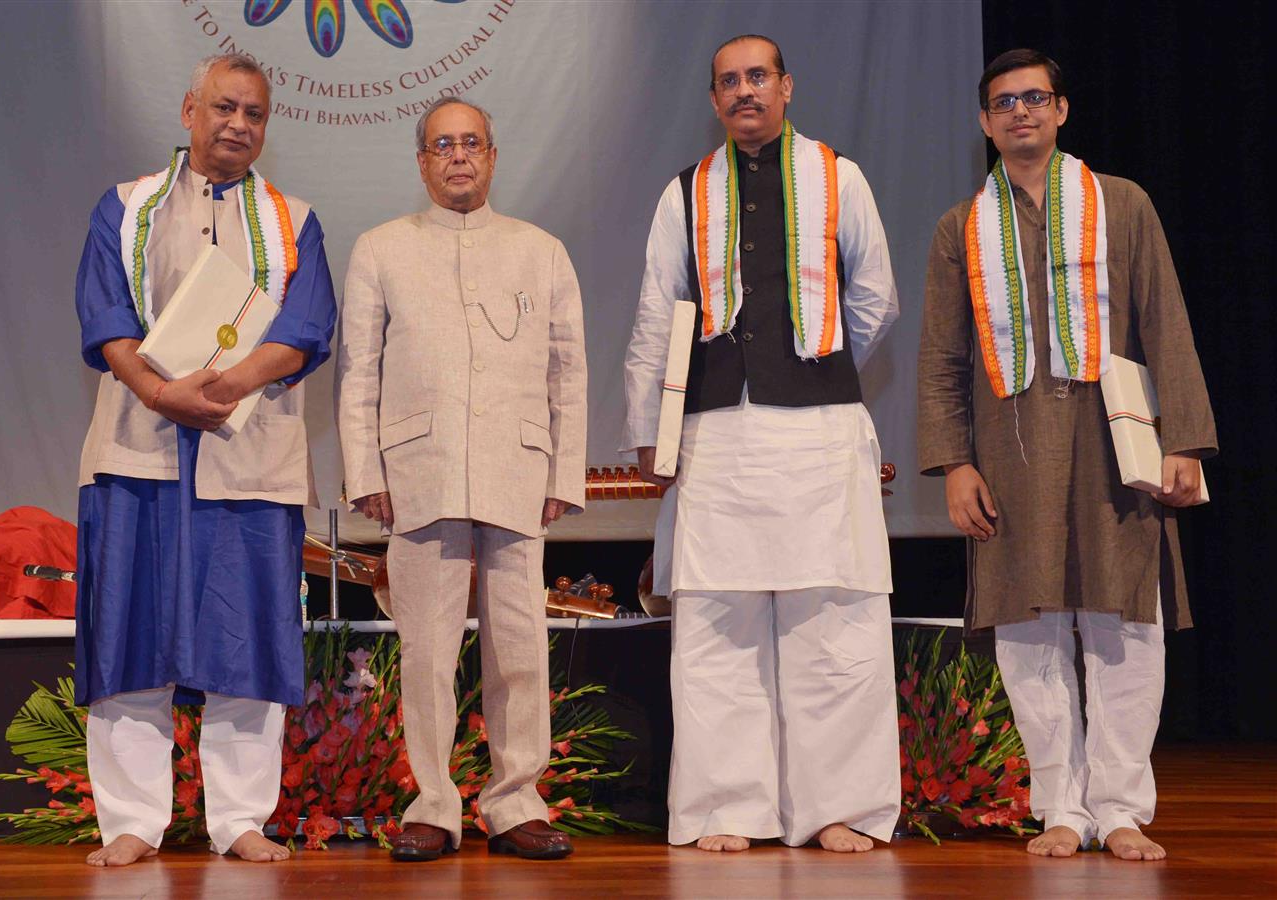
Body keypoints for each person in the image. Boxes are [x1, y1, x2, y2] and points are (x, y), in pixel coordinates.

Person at [917, 48, 1216, 862]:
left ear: (1061, 110)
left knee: (1126, 626)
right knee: (1028, 634)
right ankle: (1060, 806)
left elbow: (1167, 323)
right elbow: (943, 357)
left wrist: (1184, 441)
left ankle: (1119, 807)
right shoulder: (961, 228)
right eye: (1003, 103)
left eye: (1034, 99)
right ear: (984, 123)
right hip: (1010, 455)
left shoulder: (1121, 204)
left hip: (1117, 446)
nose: (1020, 113)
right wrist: (955, 464)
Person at [622, 34, 900, 853]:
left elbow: (875, 299)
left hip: (818, 427)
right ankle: (724, 810)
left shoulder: (838, 176)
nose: (745, 92)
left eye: (757, 77)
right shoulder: (683, 193)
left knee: (834, 622)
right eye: (728, 82)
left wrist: (807, 355)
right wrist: (649, 429)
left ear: (786, 87)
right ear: (714, 100)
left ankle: (836, 809)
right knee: (717, 626)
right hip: (714, 433)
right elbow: (654, 314)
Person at [73, 53, 336, 867]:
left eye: (254, 114)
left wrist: (221, 386)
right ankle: (130, 820)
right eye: (224, 107)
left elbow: (306, 327)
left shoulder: (295, 217)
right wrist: (160, 395)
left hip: (250, 453)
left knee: (247, 634)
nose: (237, 125)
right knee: (128, 633)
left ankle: (241, 820)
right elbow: (105, 314)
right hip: (136, 450)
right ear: (190, 110)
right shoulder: (125, 206)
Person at [335, 97, 587, 861]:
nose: (458, 156)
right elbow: (357, 375)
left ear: (492, 155)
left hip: (516, 465)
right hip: (419, 469)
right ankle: (434, 803)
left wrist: (564, 470)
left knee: (519, 646)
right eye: (441, 145)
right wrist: (364, 470)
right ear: (421, 162)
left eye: (471, 142)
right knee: (428, 649)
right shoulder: (381, 248)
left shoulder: (540, 250)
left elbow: (567, 373)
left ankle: (515, 803)